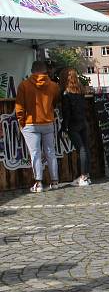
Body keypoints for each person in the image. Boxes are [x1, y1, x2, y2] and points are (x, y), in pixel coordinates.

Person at [15, 61, 61, 193]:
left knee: (35, 154)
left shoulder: (24, 85)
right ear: (45, 71)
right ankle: (55, 181)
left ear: (32, 70)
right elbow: (55, 102)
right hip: (48, 122)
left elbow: (19, 107)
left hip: (30, 124)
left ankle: (39, 183)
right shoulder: (53, 86)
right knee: (50, 152)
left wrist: (21, 122)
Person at [59, 68, 92, 186]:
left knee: (81, 149)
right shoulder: (80, 90)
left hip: (73, 124)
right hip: (83, 122)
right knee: (86, 149)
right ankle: (86, 176)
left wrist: (65, 127)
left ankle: (83, 177)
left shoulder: (66, 93)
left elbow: (66, 112)